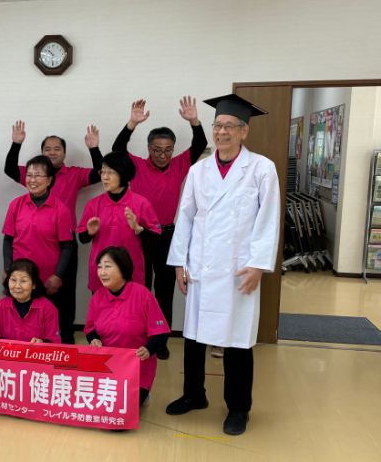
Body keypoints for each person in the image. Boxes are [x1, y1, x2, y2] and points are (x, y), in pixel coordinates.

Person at [166, 94, 280, 436]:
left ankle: (239, 408)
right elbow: (185, 218)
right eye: (217, 125)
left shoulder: (261, 168)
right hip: (200, 267)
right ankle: (194, 395)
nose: (222, 132)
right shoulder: (198, 170)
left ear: (244, 131)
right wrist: (179, 262)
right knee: (193, 337)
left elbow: (268, 219)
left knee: (236, 340)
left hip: (238, 270)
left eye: (230, 126)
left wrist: (259, 265)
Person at [112, 97, 208, 360]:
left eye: (168, 150)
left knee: (164, 292)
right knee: (140, 289)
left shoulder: (179, 165)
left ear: (173, 150)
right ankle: (140, 337)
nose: (163, 155)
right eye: (157, 150)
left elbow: (199, 144)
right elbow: (118, 149)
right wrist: (132, 123)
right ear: (149, 149)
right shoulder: (137, 166)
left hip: (167, 235)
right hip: (139, 235)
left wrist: (194, 121)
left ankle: (160, 340)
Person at [4, 122, 103, 343]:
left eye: (57, 148)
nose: (52, 152)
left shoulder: (75, 174)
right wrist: (16, 144)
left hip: (65, 241)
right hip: (33, 241)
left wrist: (94, 149)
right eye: (47, 149)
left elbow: (100, 173)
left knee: (64, 291)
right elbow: (10, 169)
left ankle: (65, 331)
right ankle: (33, 332)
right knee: (29, 288)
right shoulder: (34, 174)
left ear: (64, 154)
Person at [85, 246, 169, 406]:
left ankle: (144, 394)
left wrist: (149, 349)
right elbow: (90, 329)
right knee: (96, 404)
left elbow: (161, 331)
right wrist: (93, 339)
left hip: (138, 368)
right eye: (100, 267)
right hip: (107, 365)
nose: (102, 272)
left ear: (123, 268)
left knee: (123, 408)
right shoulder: (97, 297)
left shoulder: (143, 295)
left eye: (108, 266)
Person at [2, 155, 73, 339]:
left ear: (49, 180)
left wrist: (58, 276)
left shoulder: (61, 209)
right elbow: (8, 240)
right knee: (19, 322)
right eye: (29, 175)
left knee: (46, 326)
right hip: (19, 278)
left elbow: (67, 246)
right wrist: (7, 269)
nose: (32, 180)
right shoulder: (15, 205)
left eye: (38, 175)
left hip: (47, 280)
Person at [77, 151, 160, 293]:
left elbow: (156, 239)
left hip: (131, 275)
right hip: (101, 276)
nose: (105, 177)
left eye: (111, 172)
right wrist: (90, 233)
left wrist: (138, 229)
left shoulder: (141, 203)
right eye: (103, 172)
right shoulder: (93, 204)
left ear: (124, 173)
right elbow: (82, 238)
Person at [0, 258, 61, 344]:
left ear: (34, 284)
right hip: (6, 352)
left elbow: (54, 343)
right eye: (13, 280)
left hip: (35, 352)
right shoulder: (0, 306)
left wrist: (42, 342)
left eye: (23, 281)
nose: (17, 286)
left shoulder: (48, 309)